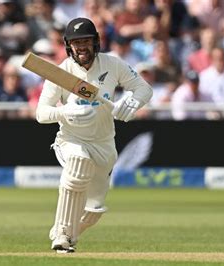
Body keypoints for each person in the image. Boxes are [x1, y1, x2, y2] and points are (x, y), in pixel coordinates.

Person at [35, 17, 152, 253]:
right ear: (68, 46)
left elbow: (144, 89)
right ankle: (61, 236)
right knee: (78, 164)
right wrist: (65, 111)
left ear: (95, 42)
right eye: (76, 42)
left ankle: (67, 232)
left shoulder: (112, 64)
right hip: (71, 139)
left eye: (85, 41)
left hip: (104, 143)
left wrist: (130, 102)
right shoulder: (60, 73)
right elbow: (41, 113)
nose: (81, 47)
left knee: (93, 211)